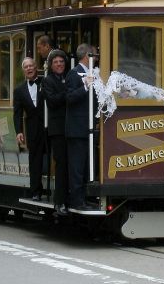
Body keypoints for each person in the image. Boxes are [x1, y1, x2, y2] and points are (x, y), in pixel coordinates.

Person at [65, 43, 98, 210]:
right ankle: (77, 201)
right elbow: (69, 98)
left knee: (88, 165)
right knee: (77, 167)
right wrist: (85, 85)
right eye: (95, 55)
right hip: (77, 129)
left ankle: (87, 197)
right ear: (88, 56)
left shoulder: (95, 74)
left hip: (91, 128)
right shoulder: (73, 73)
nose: (98, 58)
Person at [13, 57, 46, 200]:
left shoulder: (45, 82)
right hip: (32, 128)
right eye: (26, 67)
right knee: (34, 160)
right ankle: (36, 191)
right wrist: (19, 131)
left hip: (49, 126)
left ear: (36, 66)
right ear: (23, 70)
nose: (29, 68)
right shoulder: (19, 90)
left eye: (31, 65)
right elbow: (17, 112)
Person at [42, 49, 69, 216]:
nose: (59, 64)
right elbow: (52, 101)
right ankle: (59, 202)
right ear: (51, 65)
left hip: (70, 127)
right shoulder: (48, 81)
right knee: (61, 165)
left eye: (61, 62)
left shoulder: (69, 78)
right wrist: (67, 93)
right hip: (57, 129)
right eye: (56, 62)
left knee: (70, 164)